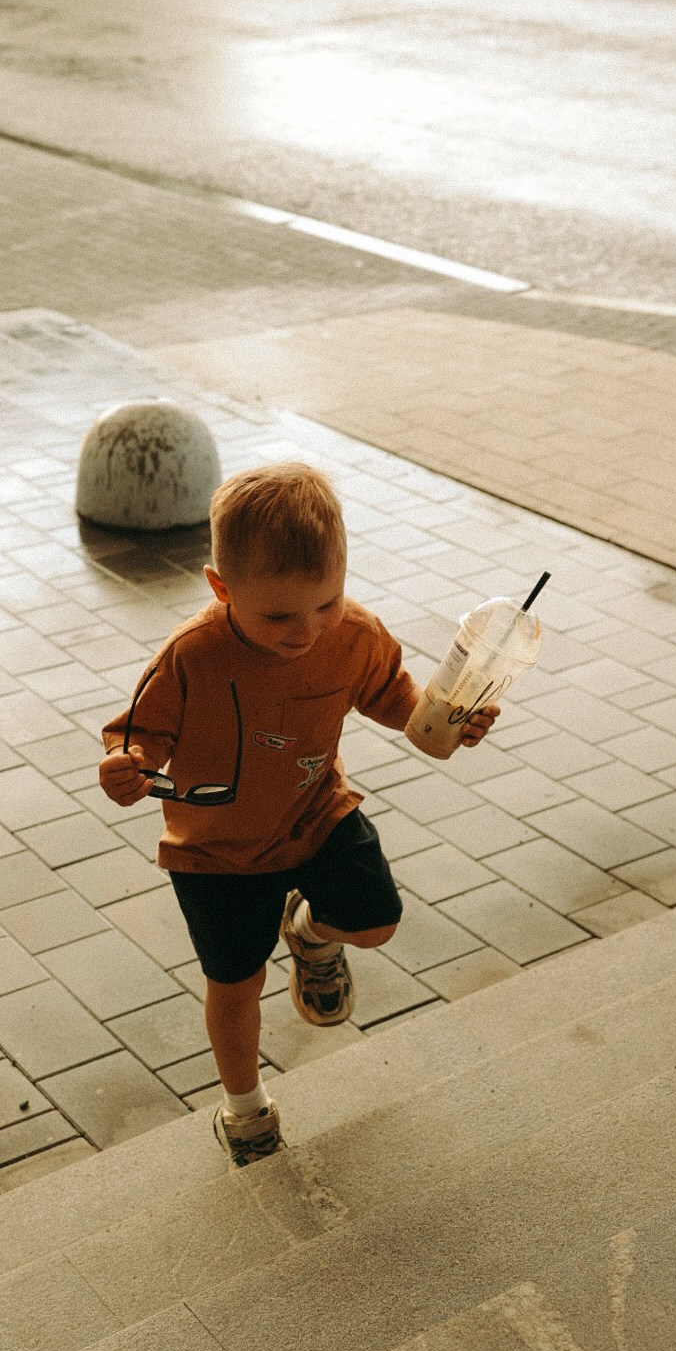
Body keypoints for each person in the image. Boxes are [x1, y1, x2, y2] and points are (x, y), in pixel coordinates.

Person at [99, 462, 498, 1167]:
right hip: (215, 848)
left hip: (316, 814)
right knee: (236, 982)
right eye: (279, 615)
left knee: (375, 921)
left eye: (327, 603)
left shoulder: (357, 636)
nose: (306, 632)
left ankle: (311, 935)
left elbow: (397, 701)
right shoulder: (193, 654)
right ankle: (245, 1108)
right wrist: (128, 768)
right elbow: (140, 736)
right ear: (222, 589)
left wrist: (448, 720)